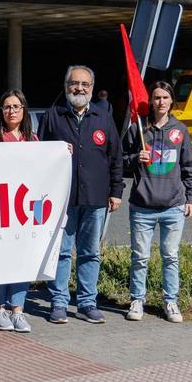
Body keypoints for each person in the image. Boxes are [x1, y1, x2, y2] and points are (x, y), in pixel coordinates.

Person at [38, 65, 123, 325]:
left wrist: (116, 191)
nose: (80, 88)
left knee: (90, 253)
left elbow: (115, 156)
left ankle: (87, 303)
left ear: (92, 88)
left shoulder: (103, 117)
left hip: (96, 197)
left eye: (85, 84)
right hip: (61, 200)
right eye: (75, 83)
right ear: (66, 87)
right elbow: (40, 158)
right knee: (61, 253)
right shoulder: (53, 116)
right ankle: (59, 303)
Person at [125, 81, 192, 324]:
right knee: (140, 256)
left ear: (171, 100)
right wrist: (136, 158)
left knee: (170, 256)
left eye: (165, 97)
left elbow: (188, 167)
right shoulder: (138, 130)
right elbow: (120, 161)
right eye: (156, 98)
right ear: (151, 101)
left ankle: (171, 301)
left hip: (173, 206)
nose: (161, 102)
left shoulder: (180, 130)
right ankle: (137, 299)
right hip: (142, 206)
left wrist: (190, 198)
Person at [0, 89, 37, 333]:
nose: (11, 111)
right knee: (0, 258)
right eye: (6, 107)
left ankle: (18, 310)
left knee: (21, 259)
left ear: (23, 110)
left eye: (15, 106)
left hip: (22, 208)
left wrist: (60, 152)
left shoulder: (33, 140)